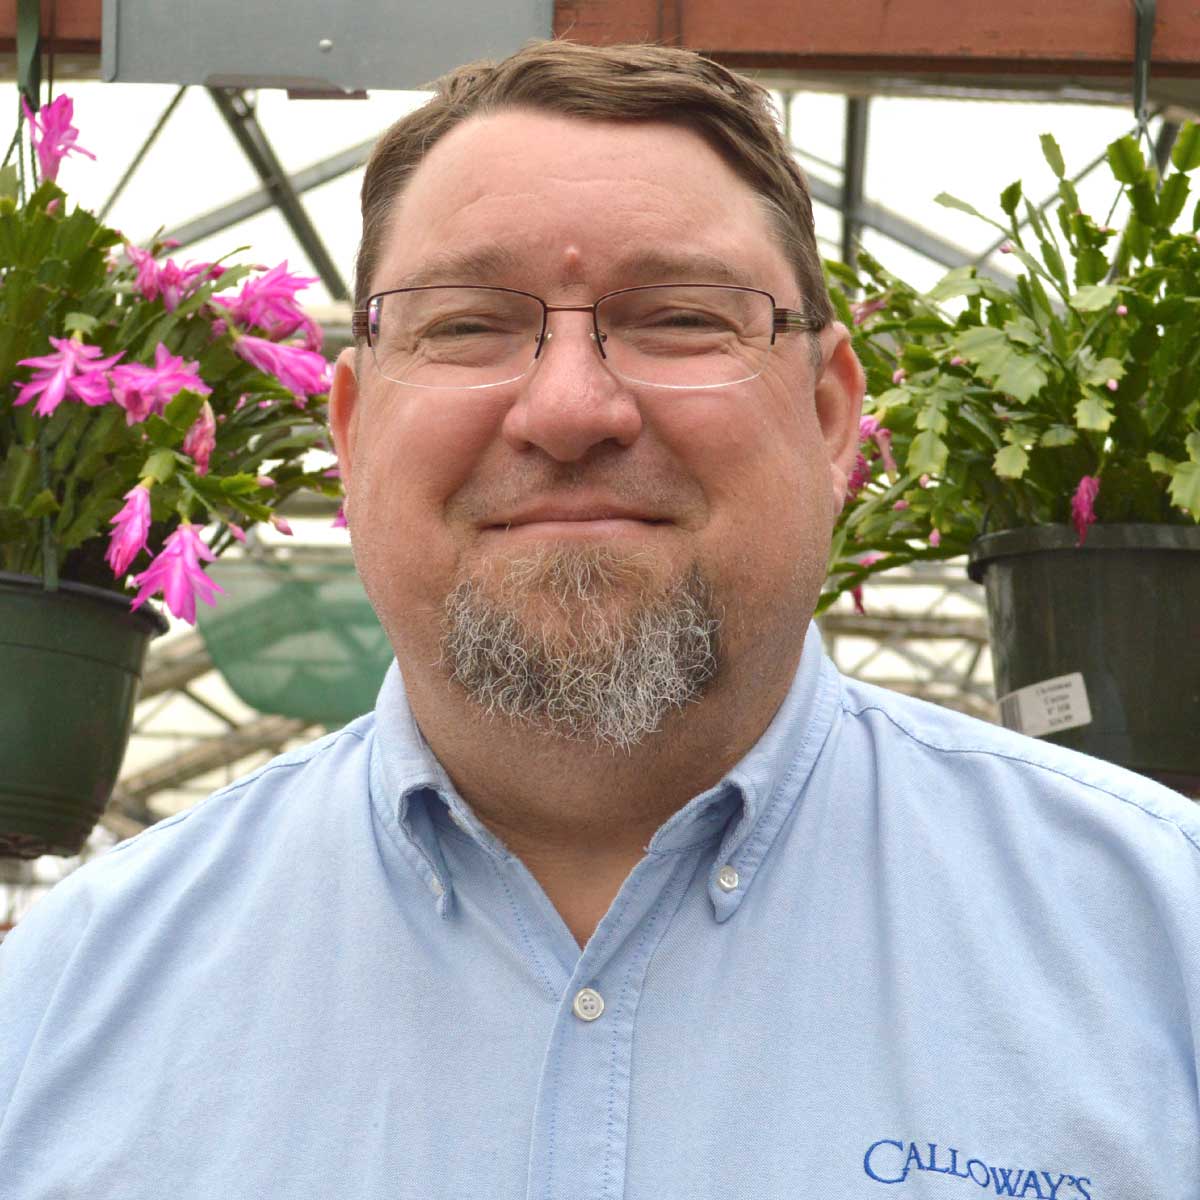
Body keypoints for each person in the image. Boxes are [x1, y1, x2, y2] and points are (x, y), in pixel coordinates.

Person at [1, 40, 1197, 1200]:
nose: (569, 408)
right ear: (354, 433)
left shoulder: (1160, 945)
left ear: (834, 418)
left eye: (680, 316)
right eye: (465, 325)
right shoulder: (66, 1003)